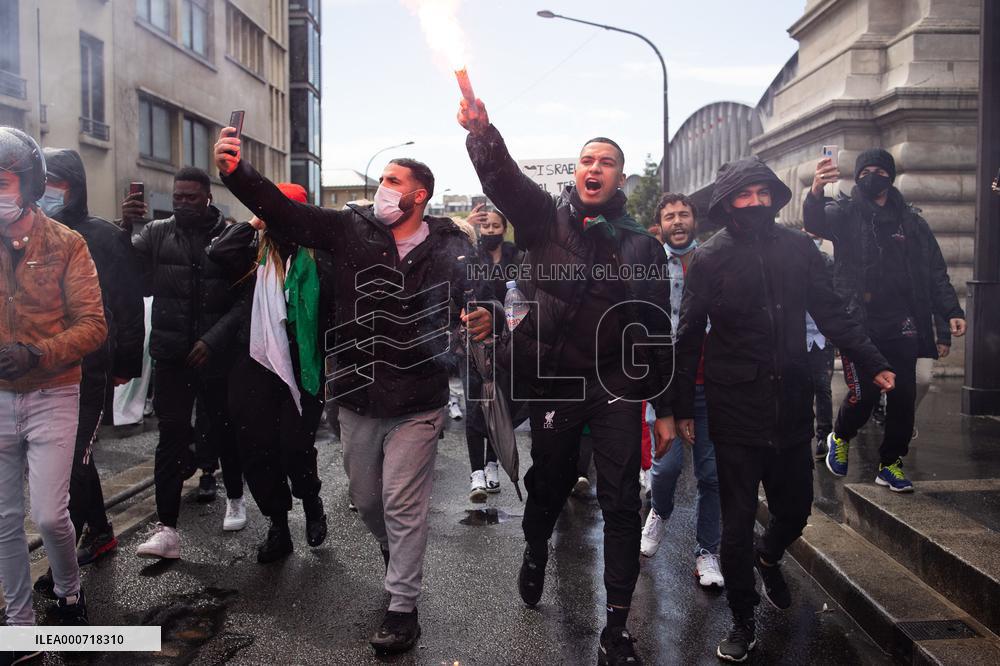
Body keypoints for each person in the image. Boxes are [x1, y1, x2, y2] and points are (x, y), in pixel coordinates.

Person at [214, 128, 495, 655]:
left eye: (393, 181)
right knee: (367, 501)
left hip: (419, 398)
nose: (382, 188)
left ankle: (402, 608)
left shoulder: (452, 247)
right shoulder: (350, 229)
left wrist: (485, 315)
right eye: (381, 179)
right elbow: (285, 213)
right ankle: (393, 550)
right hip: (358, 393)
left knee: (402, 503)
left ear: (419, 195)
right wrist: (238, 173)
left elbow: (483, 296)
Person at [460, 97, 675, 666]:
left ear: (620, 178)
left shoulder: (642, 245)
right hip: (557, 382)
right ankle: (536, 546)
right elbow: (505, 181)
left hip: (616, 386)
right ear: (577, 173)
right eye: (587, 160)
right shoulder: (544, 221)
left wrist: (666, 408)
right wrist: (482, 134)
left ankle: (617, 626)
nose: (594, 168)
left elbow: (655, 330)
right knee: (551, 483)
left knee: (621, 499)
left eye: (606, 162)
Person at [673, 156, 894, 662]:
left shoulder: (799, 248)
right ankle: (742, 618)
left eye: (762, 193)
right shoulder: (709, 257)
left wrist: (872, 360)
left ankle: (769, 556)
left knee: (794, 510)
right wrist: (681, 405)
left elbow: (832, 312)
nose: (754, 202)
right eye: (743, 195)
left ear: (774, 196)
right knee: (736, 521)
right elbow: (688, 336)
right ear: (728, 202)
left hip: (791, 401)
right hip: (735, 407)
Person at [805, 149, 966, 491]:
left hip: (902, 321)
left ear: (891, 177)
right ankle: (840, 435)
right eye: (865, 171)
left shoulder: (912, 222)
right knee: (863, 396)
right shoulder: (845, 213)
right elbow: (815, 223)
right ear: (857, 176)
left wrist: (951, 311)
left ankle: (890, 463)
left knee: (904, 395)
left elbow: (935, 271)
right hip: (859, 324)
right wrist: (816, 190)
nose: (872, 176)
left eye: (880, 171)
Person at [0, 127, 107, 637]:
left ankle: (69, 591)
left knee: (48, 515)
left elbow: (93, 325)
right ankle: (19, 623)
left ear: (30, 184)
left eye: (3, 182)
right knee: (4, 520)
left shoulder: (67, 243)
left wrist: (37, 352)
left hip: (55, 392)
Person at [29, 148, 145, 599]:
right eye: (41, 181)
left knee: (70, 461)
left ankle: (64, 575)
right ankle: (101, 531)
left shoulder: (104, 237)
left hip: (90, 367)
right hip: (42, 371)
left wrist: (126, 364)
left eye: (54, 182)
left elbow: (129, 305)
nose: (45, 191)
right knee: (74, 459)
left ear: (73, 186)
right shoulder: (27, 233)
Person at [123, 167, 247, 559]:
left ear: (208, 197)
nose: (182, 203)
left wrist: (213, 339)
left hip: (215, 354)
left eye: (191, 197)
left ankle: (236, 497)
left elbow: (246, 298)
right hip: (171, 354)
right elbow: (131, 277)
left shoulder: (230, 235)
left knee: (224, 429)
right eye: (178, 197)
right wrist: (126, 227)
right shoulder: (157, 233)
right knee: (170, 438)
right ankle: (167, 529)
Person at [208, 182, 331, 563]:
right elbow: (218, 251)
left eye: (285, 212)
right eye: (273, 212)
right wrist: (255, 222)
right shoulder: (253, 254)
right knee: (257, 449)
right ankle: (278, 526)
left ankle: (310, 500)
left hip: (303, 365)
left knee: (295, 448)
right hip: (255, 365)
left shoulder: (320, 257)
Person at [639, 193, 724, 589]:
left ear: (695, 220)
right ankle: (659, 511)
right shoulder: (651, 264)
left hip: (711, 382)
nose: (677, 221)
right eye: (670, 215)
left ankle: (707, 553)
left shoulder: (714, 259)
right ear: (660, 224)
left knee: (711, 474)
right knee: (667, 465)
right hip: (666, 383)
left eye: (683, 214)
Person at [463, 206, 524, 500]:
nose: (489, 231)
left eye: (495, 226)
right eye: (485, 227)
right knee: (476, 404)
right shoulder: (472, 257)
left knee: (501, 404)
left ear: (504, 228)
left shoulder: (517, 258)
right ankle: (476, 472)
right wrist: (467, 227)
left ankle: (492, 464)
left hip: (507, 342)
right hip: (474, 341)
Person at [804, 232, 835, 460]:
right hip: (798, 336)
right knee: (801, 389)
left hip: (822, 338)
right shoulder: (793, 260)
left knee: (823, 388)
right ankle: (804, 434)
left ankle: (824, 435)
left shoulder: (828, 263)